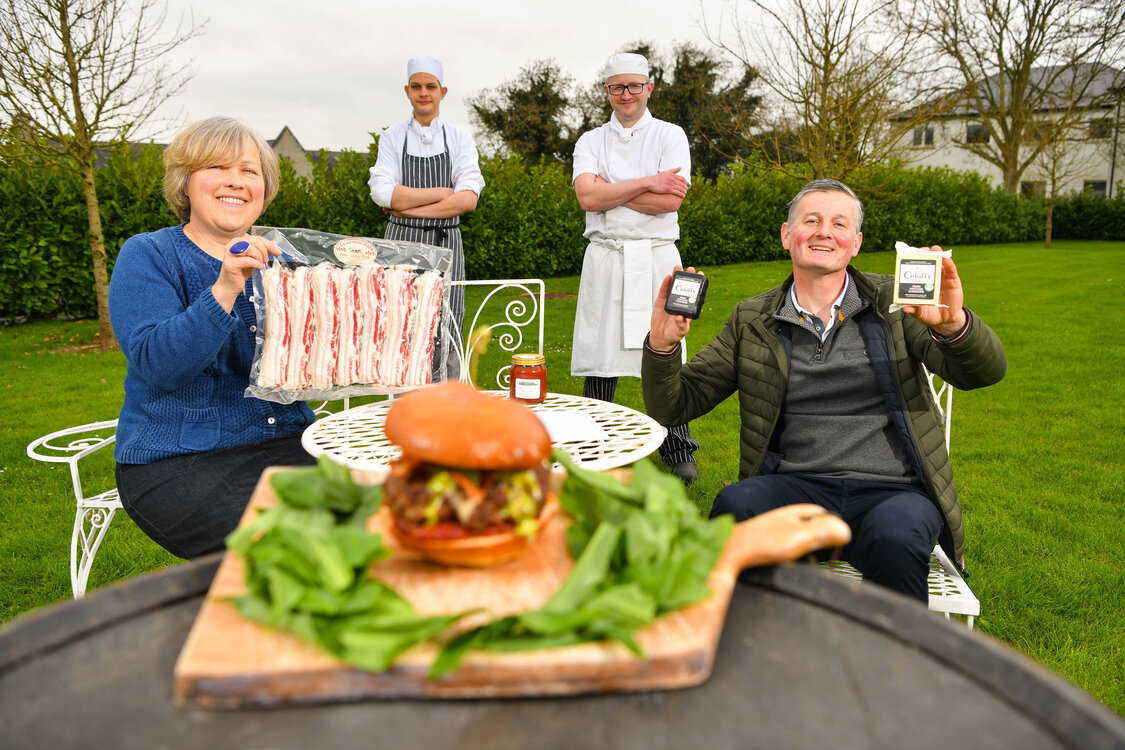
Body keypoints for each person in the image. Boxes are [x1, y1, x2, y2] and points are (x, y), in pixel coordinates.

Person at [641, 178, 1007, 602]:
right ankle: (755, 646)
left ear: (855, 242)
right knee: (734, 509)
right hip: (795, 488)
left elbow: (984, 372)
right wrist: (662, 346)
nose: (823, 232)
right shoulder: (752, 319)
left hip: (893, 491)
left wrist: (952, 325)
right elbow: (674, 406)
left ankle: (893, 663)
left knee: (896, 537)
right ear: (786, 235)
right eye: (811, 220)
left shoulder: (898, 305)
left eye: (838, 223)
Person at [108, 116, 317, 559]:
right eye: (217, 168)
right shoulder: (149, 254)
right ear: (186, 184)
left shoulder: (287, 261)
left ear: (264, 187)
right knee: (291, 556)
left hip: (290, 444)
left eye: (248, 170)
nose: (235, 182)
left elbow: (315, 362)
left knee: (391, 525)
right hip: (179, 461)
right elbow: (159, 364)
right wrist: (225, 288)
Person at [571, 52, 700, 484]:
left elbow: (672, 201)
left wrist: (611, 190)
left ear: (649, 88)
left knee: (665, 346)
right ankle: (595, 444)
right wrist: (647, 181)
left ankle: (678, 446)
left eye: (633, 86)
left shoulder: (670, 135)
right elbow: (587, 199)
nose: (625, 95)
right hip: (606, 256)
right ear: (605, 91)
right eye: (616, 87)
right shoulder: (590, 141)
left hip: (658, 256)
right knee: (600, 353)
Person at [368, 54, 485, 378]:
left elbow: (468, 199)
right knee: (400, 320)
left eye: (430, 86)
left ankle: (448, 407)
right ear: (407, 91)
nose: (424, 93)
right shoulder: (393, 137)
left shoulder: (460, 138)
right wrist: (439, 193)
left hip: (446, 243)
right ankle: (399, 404)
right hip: (401, 245)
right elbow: (381, 192)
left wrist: (408, 207)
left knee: (448, 321)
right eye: (417, 86)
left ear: (442, 91)